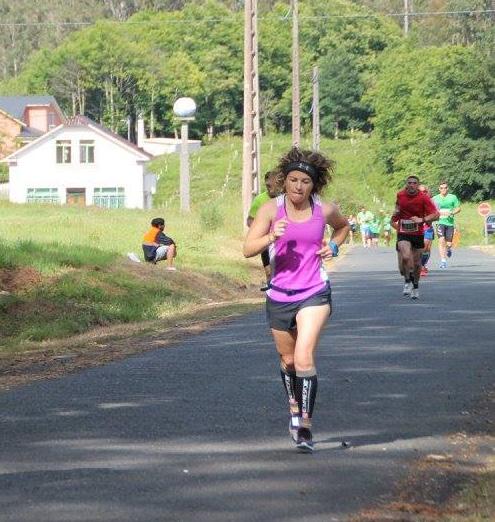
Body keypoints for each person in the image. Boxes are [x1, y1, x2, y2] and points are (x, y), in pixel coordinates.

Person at [243, 147, 350, 453]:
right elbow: (248, 249)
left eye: (305, 181)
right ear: (284, 181)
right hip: (279, 294)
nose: (298, 187)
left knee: (303, 356)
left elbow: (343, 228)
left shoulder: (324, 210)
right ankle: (293, 408)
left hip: (314, 291)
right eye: (293, 180)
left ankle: (305, 426)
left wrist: (334, 246)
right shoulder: (269, 210)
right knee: (288, 360)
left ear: (313, 185)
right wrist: (271, 238)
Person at [391, 176, 439, 300]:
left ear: (417, 185)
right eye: (409, 183)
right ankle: (407, 281)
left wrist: (422, 220)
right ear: (406, 184)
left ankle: (415, 286)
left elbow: (436, 215)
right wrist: (395, 216)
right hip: (403, 232)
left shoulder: (424, 198)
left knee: (417, 264)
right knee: (406, 257)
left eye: (414, 183)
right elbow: (397, 209)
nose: (412, 185)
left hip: (418, 233)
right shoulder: (400, 195)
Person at [246, 170, 279, 290]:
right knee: (270, 273)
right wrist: (261, 230)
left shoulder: (287, 198)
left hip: (283, 241)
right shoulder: (260, 200)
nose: (270, 189)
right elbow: (249, 220)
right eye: (268, 186)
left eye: (273, 186)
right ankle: (272, 290)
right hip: (267, 242)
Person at [432, 182, 461, 269]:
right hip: (439, 222)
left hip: (450, 223)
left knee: (448, 243)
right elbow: (430, 209)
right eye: (441, 188)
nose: (443, 189)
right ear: (439, 189)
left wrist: (452, 212)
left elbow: (459, 208)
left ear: (447, 188)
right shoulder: (435, 198)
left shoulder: (452, 197)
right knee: (441, 240)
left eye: (445, 188)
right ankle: (443, 261)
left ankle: (448, 249)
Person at [418, 184, 435, 275]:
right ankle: (421, 266)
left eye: (424, 191)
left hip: (428, 227)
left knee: (427, 249)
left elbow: (436, 215)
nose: (422, 193)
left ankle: (423, 264)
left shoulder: (431, 203)